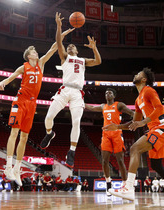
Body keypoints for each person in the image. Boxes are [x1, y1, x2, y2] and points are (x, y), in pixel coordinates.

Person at [0, 27, 74, 186]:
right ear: (28, 56)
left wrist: (63, 34)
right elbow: (11, 77)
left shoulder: (41, 63)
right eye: (33, 52)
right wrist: (3, 82)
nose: (36, 53)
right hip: (21, 101)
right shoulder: (23, 66)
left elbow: (54, 47)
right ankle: (8, 166)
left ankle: (17, 169)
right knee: (14, 132)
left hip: (32, 103)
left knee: (24, 137)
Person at [104, 68, 164, 201]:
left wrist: (143, 122)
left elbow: (160, 108)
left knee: (135, 148)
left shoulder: (148, 90)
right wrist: (117, 126)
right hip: (154, 129)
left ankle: (129, 188)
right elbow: (134, 122)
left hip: (161, 127)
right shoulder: (138, 99)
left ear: (144, 79)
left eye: (138, 74)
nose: (135, 74)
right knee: (156, 165)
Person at [40, 12, 102, 168]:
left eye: (73, 46)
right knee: (48, 117)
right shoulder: (64, 57)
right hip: (65, 89)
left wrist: (94, 48)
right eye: (69, 46)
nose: (70, 46)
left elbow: (98, 61)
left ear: (78, 51)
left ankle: (72, 151)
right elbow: (58, 42)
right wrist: (59, 26)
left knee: (76, 122)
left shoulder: (82, 60)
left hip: (77, 93)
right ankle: (49, 133)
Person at [85, 88, 133, 196]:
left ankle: (125, 185)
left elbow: (131, 112)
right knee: (104, 161)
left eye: (110, 92)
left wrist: (135, 119)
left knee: (120, 160)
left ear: (114, 95)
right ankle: (108, 184)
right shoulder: (103, 106)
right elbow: (92, 108)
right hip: (105, 134)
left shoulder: (119, 105)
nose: (107, 94)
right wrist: (83, 104)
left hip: (117, 133)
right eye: (106, 92)